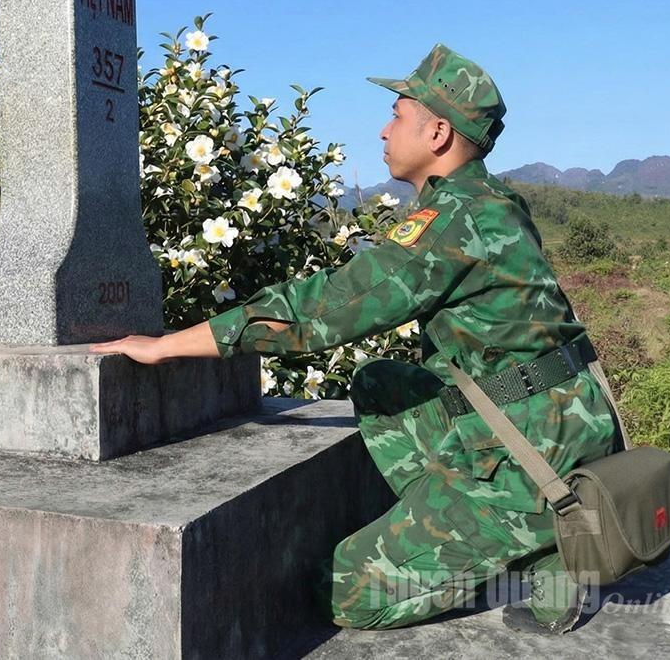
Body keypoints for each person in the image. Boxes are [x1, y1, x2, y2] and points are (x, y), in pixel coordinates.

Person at [90, 43, 618, 635]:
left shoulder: (452, 224)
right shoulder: (493, 204)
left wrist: (165, 346)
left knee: (344, 589)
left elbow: (325, 311)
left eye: (397, 115)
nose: (383, 130)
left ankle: (534, 538)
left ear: (439, 132)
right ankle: (471, 521)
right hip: (566, 420)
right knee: (381, 384)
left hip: (534, 456)